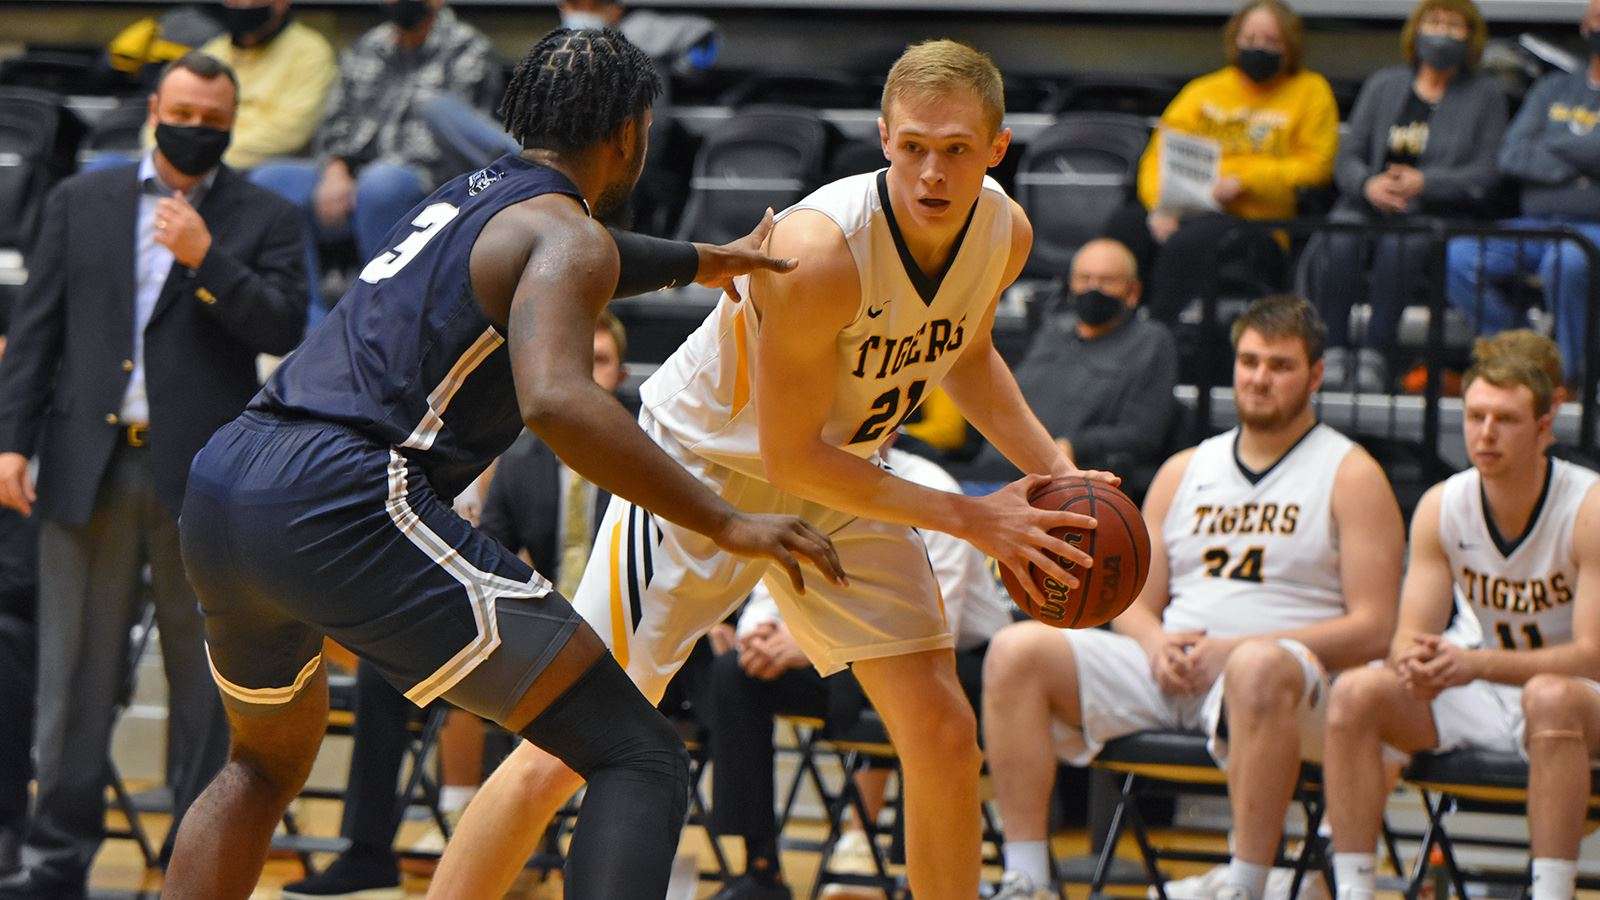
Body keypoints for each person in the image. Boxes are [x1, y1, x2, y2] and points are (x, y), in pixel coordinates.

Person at [159, 29, 841, 900]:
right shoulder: (566, 235)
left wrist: (707, 262)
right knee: (638, 756)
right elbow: (558, 398)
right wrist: (727, 519)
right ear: (632, 134)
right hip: (347, 492)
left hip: (230, 479)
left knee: (258, 766)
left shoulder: (463, 197)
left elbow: (583, 260)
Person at [430, 38, 1111, 900]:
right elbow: (792, 455)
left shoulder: (1004, 231)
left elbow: (965, 354)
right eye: (912, 149)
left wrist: (1056, 472)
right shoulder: (824, 250)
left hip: (843, 474)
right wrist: (976, 517)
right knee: (562, 752)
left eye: (955, 151)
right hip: (698, 474)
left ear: (998, 149)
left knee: (942, 728)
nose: (932, 174)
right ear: (882, 138)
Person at [0, 52, 307, 899]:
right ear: (152, 107)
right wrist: (9, 443)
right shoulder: (79, 201)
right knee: (72, 678)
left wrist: (209, 259)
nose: (197, 129)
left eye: (214, 119)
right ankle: (56, 860)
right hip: (84, 467)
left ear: (233, 122)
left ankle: (195, 863)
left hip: (203, 481)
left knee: (205, 686)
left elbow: (284, 320)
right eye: (184, 112)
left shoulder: (266, 215)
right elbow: (37, 333)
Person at [983, 296, 1404, 900]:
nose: (1260, 378)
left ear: (1314, 376)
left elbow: (1374, 629)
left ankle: (1247, 884)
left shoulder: (1351, 473)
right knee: (1015, 650)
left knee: (1257, 668)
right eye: (1249, 361)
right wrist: (1153, 643)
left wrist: (1233, 651)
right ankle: (1027, 877)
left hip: (1292, 686)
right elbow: (1130, 597)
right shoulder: (1186, 468)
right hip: (1174, 667)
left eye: (1280, 366)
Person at [277, 311, 629, 899]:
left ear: (620, 375)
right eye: (578, 361)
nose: (588, 374)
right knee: (383, 673)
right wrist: (518, 579)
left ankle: (518, 841)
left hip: (621, 627)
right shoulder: (523, 462)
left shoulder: (642, 447)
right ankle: (367, 851)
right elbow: (488, 548)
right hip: (545, 621)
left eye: (600, 361)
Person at [1322, 336, 1600, 900]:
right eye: (1475, 416)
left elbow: (1592, 653)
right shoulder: (1442, 505)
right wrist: (1415, 667)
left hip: (1578, 697)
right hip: (1487, 689)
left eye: (1506, 419)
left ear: (1545, 427)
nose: (1485, 433)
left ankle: (1552, 892)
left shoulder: (1587, 507)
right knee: (1356, 692)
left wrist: (1474, 664)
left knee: (1550, 694)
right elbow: (1407, 639)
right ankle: (1351, 888)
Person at [705, 439, 1012, 898]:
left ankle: (916, 873)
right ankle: (761, 867)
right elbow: (773, 578)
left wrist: (805, 647)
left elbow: (933, 624)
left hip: (958, 661)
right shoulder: (802, 479)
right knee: (735, 674)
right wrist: (759, 637)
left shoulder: (930, 486)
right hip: (843, 654)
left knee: (910, 688)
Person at [251, 0, 503, 313]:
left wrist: (362, 179)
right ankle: (308, 321)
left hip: (430, 182)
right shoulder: (368, 47)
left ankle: (382, 315)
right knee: (271, 180)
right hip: (355, 175)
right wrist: (336, 170)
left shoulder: (470, 50)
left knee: (381, 184)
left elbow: (458, 147)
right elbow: (335, 124)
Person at [1308, 0, 1506, 393]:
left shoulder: (1486, 94)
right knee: (1341, 234)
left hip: (1433, 211)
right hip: (1368, 203)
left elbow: (1486, 173)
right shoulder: (1384, 84)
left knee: (1403, 246)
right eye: (1433, 22)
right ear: (1415, 31)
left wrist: (1425, 182)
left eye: (1453, 26)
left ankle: (1377, 354)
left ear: (1471, 37)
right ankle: (1331, 349)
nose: (1441, 33)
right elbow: (1347, 156)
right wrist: (1367, 184)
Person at [1102, 0, 1338, 323]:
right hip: (1186, 206)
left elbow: (1317, 166)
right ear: (1234, 39)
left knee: (1189, 243)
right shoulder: (1204, 91)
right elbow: (1159, 154)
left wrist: (1245, 180)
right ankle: (1106, 327)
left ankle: (1158, 339)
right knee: (1125, 225)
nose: (1258, 48)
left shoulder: (1311, 91)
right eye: (1250, 39)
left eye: (1271, 41)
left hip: (1257, 223)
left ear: (1290, 46)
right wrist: (1160, 206)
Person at [1445, 0, 1600, 388]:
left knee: (1569, 260)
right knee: (1461, 255)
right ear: (1585, 26)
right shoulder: (1554, 88)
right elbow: (1512, 153)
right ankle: (1526, 358)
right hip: (1538, 224)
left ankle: (1571, 377)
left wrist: (1553, 144)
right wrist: (1577, 168)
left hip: (1593, 228)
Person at [970, 238, 1178, 500]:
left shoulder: (1151, 342)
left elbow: (1142, 433)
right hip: (991, 470)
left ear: (1133, 291)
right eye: (1084, 278)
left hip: (1070, 484)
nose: (1093, 289)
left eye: (1106, 281)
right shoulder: (1052, 330)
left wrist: (1074, 446)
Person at [196, 0, 337, 169]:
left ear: (281, 3)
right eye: (234, 1)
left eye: (252, 1)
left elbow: (289, 132)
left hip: (261, 165)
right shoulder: (213, 51)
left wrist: (210, 156)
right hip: (199, 158)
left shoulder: (310, 53)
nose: (243, 6)